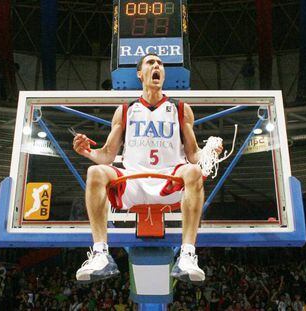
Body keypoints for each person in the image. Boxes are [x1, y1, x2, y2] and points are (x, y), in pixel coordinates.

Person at [72, 53, 222, 285]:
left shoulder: (181, 109)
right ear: (140, 74)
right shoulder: (125, 110)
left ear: (163, 74)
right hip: (132, 181)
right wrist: (87, 152)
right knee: (95, 172)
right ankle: (101, 253)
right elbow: (108, 156)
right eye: (151, 63)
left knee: (193, 171)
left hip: (169, 181)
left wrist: (209, 152)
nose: (157, 66)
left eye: (160, 64)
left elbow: (193, 155)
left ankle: (188, 254)